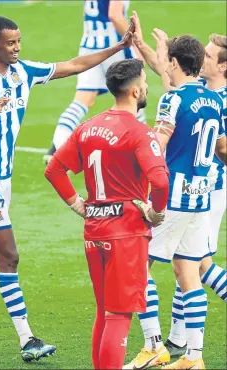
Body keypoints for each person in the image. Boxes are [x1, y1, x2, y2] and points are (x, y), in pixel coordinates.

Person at [0, 15, 134, 360]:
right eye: (10, 43)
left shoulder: (24, 72)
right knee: (9, 254)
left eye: (19, 41)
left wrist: (118, 47)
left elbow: (75, 64)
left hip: (0, 178)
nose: (17, 48)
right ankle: (27, 339)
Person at [45, 58, 169, 369]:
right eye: (145, 82)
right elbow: (160, 180)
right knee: (119, 315)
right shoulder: (140, 133)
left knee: (103, 311)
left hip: (95, 230)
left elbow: (54, 169)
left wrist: (78, 205)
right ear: (136, 91)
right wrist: (156, 212)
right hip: (126, 233)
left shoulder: (87, 127)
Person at [124, 12, 227, 361]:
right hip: (201, 198)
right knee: (188, 274)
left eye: (167, 62)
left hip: (173, 200)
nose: (164, 68)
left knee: (137, 267)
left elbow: (158, 144)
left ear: (177, 63)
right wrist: (145, 46)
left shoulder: (172, 100)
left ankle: (153, 346)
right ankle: (194, 356)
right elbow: (221, 147)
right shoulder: (214, 100)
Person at [43, 0, 146, 165]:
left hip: (90, 46)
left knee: (83, 100)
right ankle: (147, 148)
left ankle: (56, 148)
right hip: (113, 47)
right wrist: (136, 45)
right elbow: (115, 14)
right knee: (134, 95)